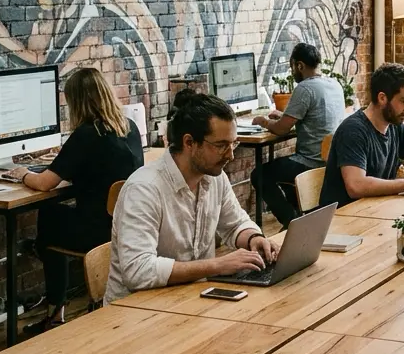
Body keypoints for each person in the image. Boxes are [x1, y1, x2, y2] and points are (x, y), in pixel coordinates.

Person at [1, 67, 143, 334]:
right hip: (125, 228)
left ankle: (55, 311)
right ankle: (52, 291)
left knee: (49, 215)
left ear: (77, 101)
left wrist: (23, 174)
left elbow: (44, 184)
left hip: (97, 233)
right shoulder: (129, 127)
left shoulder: (87, 134)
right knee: (55, 218)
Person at [104, 90, 278, 304]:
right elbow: (138, 271)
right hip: (135, 309)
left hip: (190, 297)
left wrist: (254, 238)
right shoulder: (144, 189)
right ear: (189, 143)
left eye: (233, 144)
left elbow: (234, 224)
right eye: (221, 145)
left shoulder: (214, 177)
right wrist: (217, 265)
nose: (231, 155)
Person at [319, 63, 404, 207]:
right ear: (382, 98)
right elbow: (356, 186)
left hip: (375, 208)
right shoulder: (353, 130)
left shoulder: (395, 125)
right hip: (344, 215)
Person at [250, 42, 346, 227]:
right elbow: (313, 117)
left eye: (292, 66)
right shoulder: (334, 84)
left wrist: (263, 121)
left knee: (260, 175)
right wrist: (284, 116)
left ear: (300, 65)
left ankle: (292, 222)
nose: (292, 71)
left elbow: (281, 130)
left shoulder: (305, 88)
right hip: (330, 161)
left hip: (310, 162)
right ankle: (300, 218)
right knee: (282, 172)